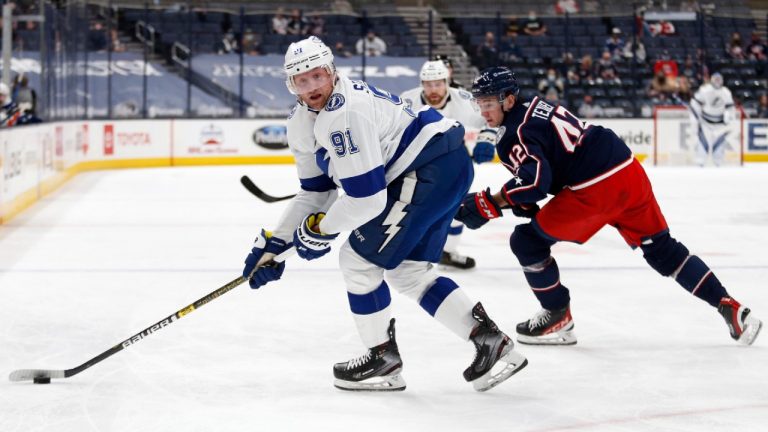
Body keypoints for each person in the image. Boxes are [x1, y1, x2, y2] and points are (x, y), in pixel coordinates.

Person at [242, 37, 527, 392]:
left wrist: (321, 231)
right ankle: (490, 342)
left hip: (427, 171)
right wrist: (274, 245)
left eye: (318, 76)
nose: (313, 86)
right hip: (442, 167)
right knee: (410, 272)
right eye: (302, 80)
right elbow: (316, 192)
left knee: (357, 262)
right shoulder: (302, 122)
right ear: (291, 85)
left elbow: (366, 201)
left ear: (332, 71)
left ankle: (382, 359)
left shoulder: (343, 114)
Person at [454, 66, 762, 347]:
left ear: (508, 100)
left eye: (488, 102)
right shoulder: (534, 106)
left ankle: (557, 316)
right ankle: (730, 307)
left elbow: (536, 182)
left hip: (593, 189)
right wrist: (516, 201)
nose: (483, 110)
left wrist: (489, 203)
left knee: (526, 242)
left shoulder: (513, 134)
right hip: (626, 169)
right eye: (479, 103)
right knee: (662, 250)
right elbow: (547, 171)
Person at [400, 60, 496, 269]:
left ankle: (448, 252)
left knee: (455, 208)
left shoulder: (464, 100)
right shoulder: (406, 100)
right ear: (421, 83)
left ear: (447, 81)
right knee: (407, 208)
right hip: (417, 160)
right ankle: (402, 247)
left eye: (438, 84)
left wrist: (487, 138)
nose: (433, 90)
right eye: (428, 84)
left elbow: (492, 117)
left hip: (453, 161)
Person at [689, 72, 736, 166]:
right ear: (711, 80)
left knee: (719, 147)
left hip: (720, 125)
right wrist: (696, 117)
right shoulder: (704, 90)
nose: (717, 81)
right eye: (715, 79)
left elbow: (730, 107)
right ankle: (700, 164)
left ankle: (718, 165)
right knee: (702, 145)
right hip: (705, 123)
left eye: (719, 79)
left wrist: (729, 117)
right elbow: (694, 103)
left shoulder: (726, 92)